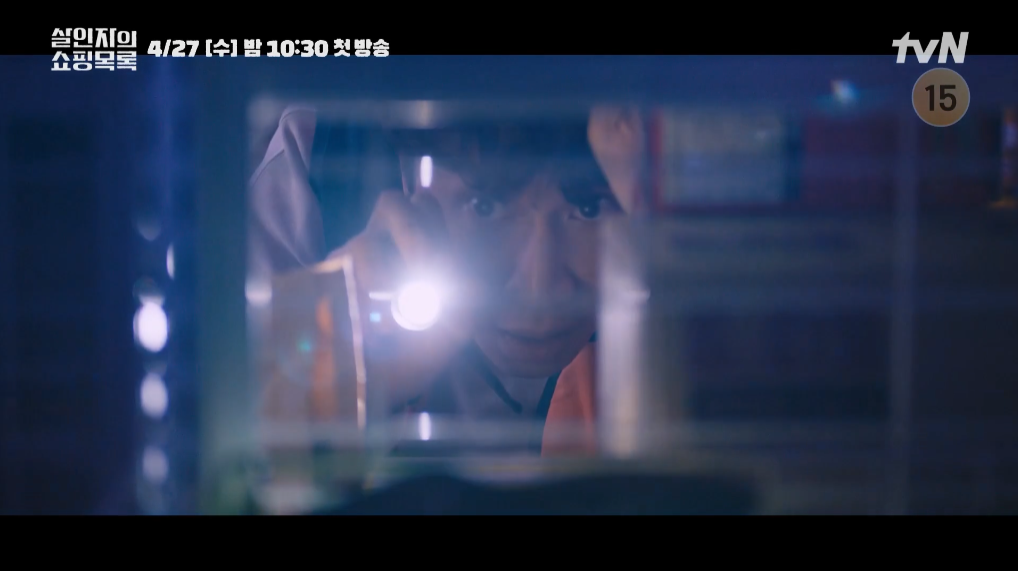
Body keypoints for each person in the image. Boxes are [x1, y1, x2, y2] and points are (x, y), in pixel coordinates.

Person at [250, 105, 646, 456]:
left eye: (590, 208)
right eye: (484, 206)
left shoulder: (666, 181)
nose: (537, 292)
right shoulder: (319, 163)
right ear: (409, 171)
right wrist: (332, 368)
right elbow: (234, 456)